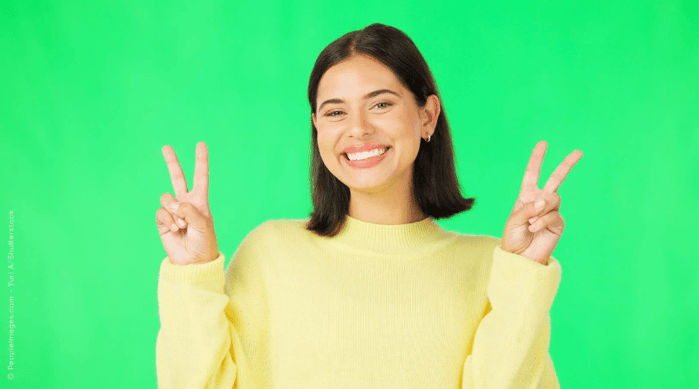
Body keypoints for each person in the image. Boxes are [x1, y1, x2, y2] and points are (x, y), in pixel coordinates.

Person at [155, 23, 583, 389]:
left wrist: (523, 273)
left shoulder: (495, 266)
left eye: (380, 104)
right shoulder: (271, 254)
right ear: (317, 128)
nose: (358, 129)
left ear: (427, 116)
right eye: (335, 112)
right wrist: (192, 275)